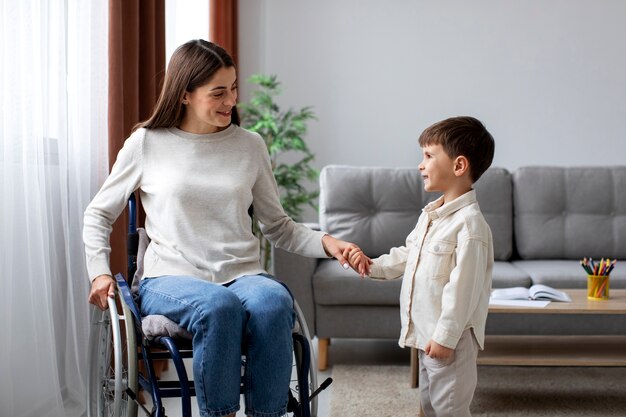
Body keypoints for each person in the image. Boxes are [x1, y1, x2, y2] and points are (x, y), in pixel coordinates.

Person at [83, 39, 360, 417]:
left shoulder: (249, 145)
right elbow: (99, 214)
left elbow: (277, 226)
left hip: (242, 272)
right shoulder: (147, 143)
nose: (231, 100)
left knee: (273, 302)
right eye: (218, 92)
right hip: (170, 278)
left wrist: (328, 243)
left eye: (233, 88)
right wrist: (99, 272)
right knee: (219, 306)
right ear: (184, 94)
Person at [346, 116, 495, 417]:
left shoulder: (470, 227)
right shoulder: (431, 215)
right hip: (428, 338)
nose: (420, 165)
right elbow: (407, 255)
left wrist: (445, 337)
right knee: (430, 405)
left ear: (458, 166)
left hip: (448, 340)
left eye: (428, 156)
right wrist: (370, 265)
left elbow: (463, 291)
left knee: (450, 408)